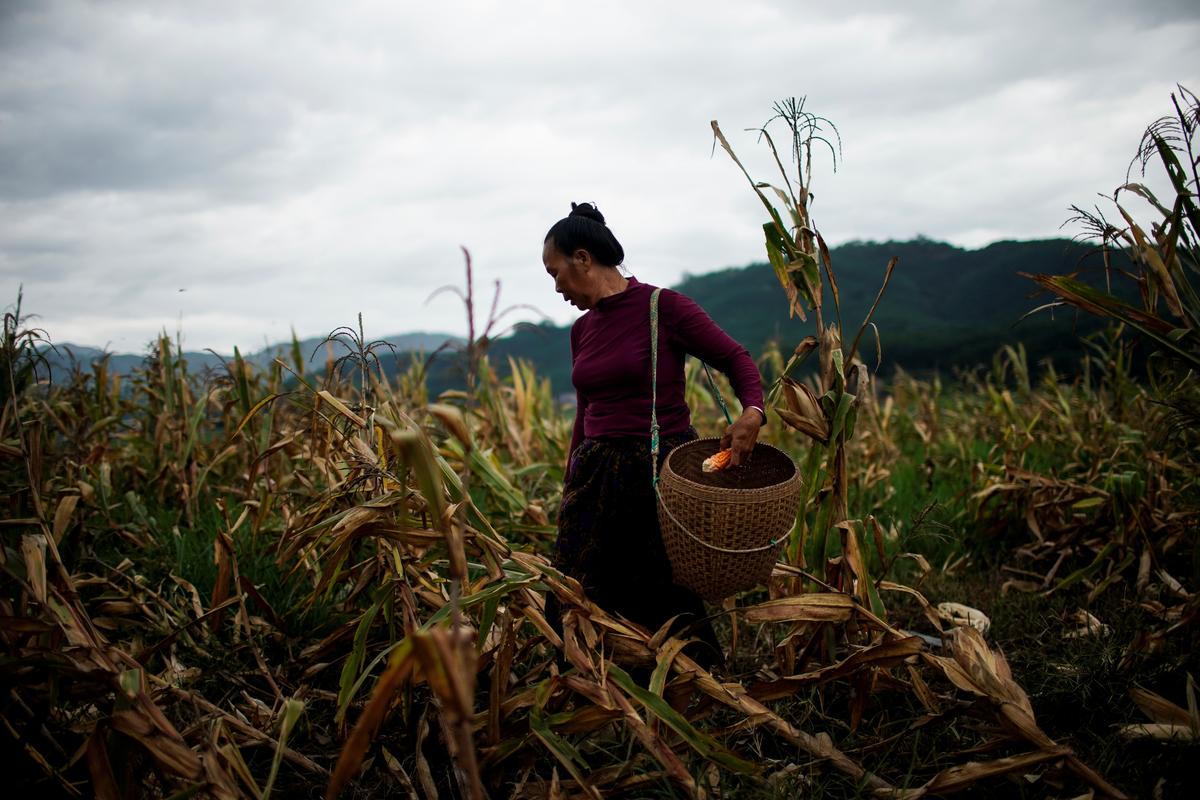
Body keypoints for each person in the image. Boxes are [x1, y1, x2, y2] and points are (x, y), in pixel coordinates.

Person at [544, 201, 766, 665]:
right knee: (573, 582)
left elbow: (735, 358)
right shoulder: (581, 330)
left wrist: (752, 413)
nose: (557, 287)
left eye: (556, 272)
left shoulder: (662, 307)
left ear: (583, 258)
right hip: (596, 472)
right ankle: (585, 683)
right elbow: (584, 412)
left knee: (660, 587)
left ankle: (693, 683)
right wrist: (571, 479)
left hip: (655, 469)